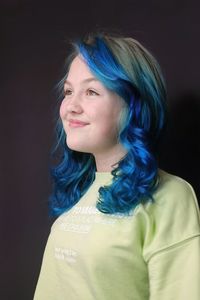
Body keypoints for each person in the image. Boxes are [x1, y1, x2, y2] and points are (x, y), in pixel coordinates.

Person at [33, 32, 200, 300]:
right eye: (68, 91)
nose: (70, 107)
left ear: (133, 105)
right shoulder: (81, 190)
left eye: (91, 91)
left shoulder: (171, 197)